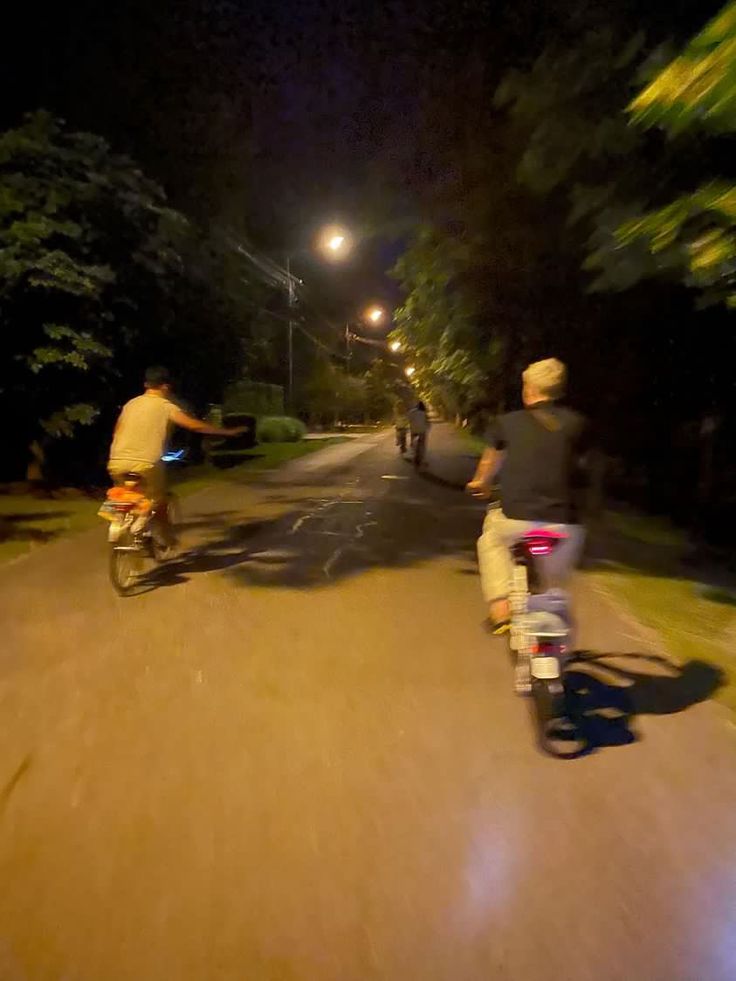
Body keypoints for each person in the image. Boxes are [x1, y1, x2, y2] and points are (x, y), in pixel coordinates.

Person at [466, 358, 587, 634]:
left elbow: (488, 467)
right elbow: (590, 467)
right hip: (564, 526)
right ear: (559, 391)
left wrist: (480, 483)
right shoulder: (579, 425)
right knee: (554, 589)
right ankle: (556, 635)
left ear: (529, 390)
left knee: (491, 539)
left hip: (515, 521)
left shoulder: (507, 423)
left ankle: (500, 607)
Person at [108, 366, 245, 544]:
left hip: (117, 460)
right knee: (157, 499)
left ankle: (116, 522)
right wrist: (228, 432)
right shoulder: (166, 406)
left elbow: (117, 430)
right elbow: (194, 426)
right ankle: (155, 531)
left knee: (121, 493)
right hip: (146, 463)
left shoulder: (130, 404)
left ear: (146, 384)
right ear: (165, 387)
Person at [408, 400, 430, 465]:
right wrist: (427, 427)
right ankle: (422, 459)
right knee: (422, 444)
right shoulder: (424, 413)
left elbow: (409, 420)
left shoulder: (411, 412)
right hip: (422, 431)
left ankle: (412, 448)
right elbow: (427, 422)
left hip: (414, 430)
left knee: (412, 441)